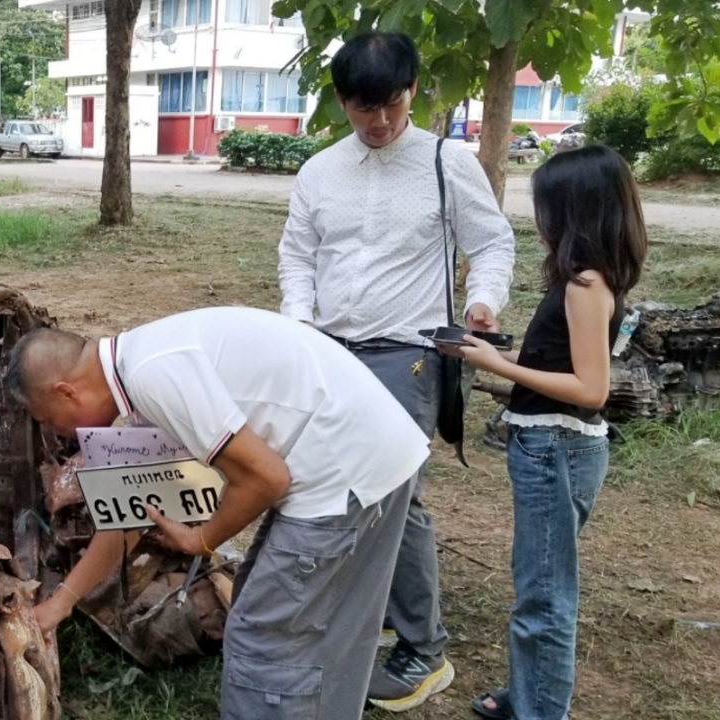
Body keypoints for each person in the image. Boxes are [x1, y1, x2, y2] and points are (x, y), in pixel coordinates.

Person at [5, 307, 431, 719]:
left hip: (342, 472)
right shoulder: (137, 367)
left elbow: (266, 478)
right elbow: (135, 514)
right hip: (366, 452)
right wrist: (61, 603)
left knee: (265, 642)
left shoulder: (152, 374)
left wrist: (200, 539)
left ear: (66, 391)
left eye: (50, 420)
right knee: (309, 629)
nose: (61, 434)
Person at [276, 31, 516, 712]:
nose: (379, 121)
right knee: (337, 489)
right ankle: (375, 611)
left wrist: (481, 302)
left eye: (392, 104)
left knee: (393, 497)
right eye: (362, 108)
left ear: (414, 91)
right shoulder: (320, 170)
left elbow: (493, 243)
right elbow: (297, 254)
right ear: (342, 102)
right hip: (330, 354)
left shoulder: (447, 161)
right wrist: (299, 317)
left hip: (409, 357)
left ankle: (424, 650)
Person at [464, 145, 647, 720]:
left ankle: (541, 710)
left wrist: (497, 366)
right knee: (538, 586)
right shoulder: (588, 280)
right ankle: (526, 695)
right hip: (551, 445)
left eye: (545, 208)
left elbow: (591, 389)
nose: (539, 221)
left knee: (544, 597)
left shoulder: (584, 284)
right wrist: (493, 348)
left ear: (574, 211)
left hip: (556, 448)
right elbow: (554, 362)